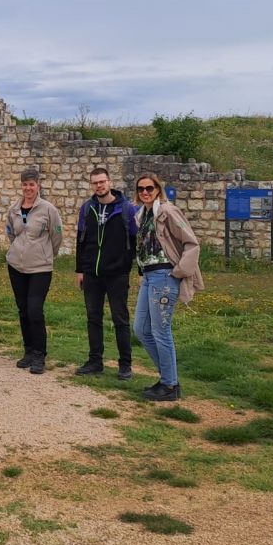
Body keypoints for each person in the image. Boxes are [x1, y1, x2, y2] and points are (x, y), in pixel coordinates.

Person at [132, 173, 204, 401]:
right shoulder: (142, 215)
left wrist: (179, 271)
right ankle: (167, 378)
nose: (145, 192)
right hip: (149, 277)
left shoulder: (167, 211)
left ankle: (170, 385)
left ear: (158, 190)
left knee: (161, 331)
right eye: (141, 189)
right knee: (141, 329)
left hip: (164, 275)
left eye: (149, 188)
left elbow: (191, 242)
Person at [74, 167, 137, 380]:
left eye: (102, 182)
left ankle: (125, 364)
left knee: (120, 318)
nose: (99, 186)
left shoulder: (126, 209)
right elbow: (80, 240)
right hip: (92, 273)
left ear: (109, 182)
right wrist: (80, 269)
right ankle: (95, 361)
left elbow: (134, 240)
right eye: (95, 183)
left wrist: (125, 266)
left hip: (117, 274)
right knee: (93, 318)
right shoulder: (87, 208)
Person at [6, 168, 63, 375]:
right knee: (22, 309)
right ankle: (28, 351)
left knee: (34, 310)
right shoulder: (14, 208)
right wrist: (17, 249)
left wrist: (47, 253)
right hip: (16, 266)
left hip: (40, 268)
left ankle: (39, 354)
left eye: (31, 184)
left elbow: (56, 235)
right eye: (25, 184)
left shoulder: (48, 210)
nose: (28, 188)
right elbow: (11, 232)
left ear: (38, 185)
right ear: (21, 186)